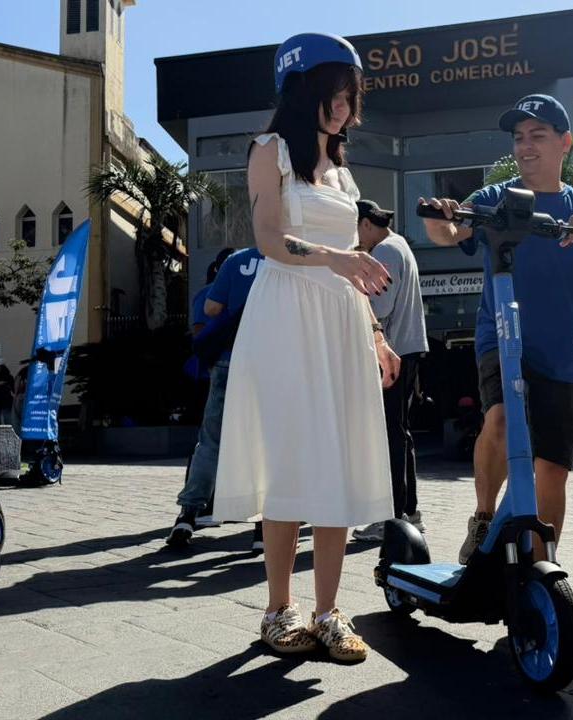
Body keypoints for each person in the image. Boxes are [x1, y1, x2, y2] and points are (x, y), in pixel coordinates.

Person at [213, 33, 398, 663]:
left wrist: (375, 333)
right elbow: (268, 239)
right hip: (286, 315)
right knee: (292, 460)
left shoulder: (342, 172)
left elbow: (351, 269)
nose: (345, 106)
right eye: (334, 93)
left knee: (338, 464)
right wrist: (337, 259)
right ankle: (277, 610)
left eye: (351, 96)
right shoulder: (269, 152)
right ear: (302, 90)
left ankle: (327, 612)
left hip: (340, 321)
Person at [421, 94, 573, 564]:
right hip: (502, 338)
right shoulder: (495, 198)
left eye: (538, 135)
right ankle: (482, 517)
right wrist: (440, 219)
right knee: (498, 420)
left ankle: (541, 564)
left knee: (552, 471)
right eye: (519, 138)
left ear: (564, 144)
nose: (525, 146)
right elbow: (449, 233)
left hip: (560, 354)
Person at [166, 245, 263, 549]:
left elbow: (211, 309)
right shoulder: (288, 258)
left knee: (211, 441)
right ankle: (265, 527)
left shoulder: (236, 261)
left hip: (228, 358)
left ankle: (188, 514)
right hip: (270, 361)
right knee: (266, 445)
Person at [352, 199, 429, 542]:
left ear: (366, 223)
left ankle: (392, 517)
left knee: (390, 436)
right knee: (399, 432)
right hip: (408, 350)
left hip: (392, 353)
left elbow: (379, 306)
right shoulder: (401, 246)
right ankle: (407, 512)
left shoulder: (384, 252)